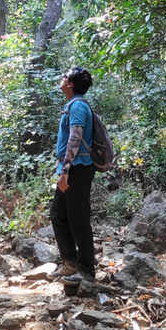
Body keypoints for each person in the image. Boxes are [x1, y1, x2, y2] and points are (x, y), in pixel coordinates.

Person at [50, 66, 97, 285]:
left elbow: (75, 139)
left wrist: (66, 169)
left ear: (70, 84)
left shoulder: (78, 105)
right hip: (70, 168)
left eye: (65, 76)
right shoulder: (73, 104)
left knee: (78, 219)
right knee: (58, 215)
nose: (62, 78)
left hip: (77, 168)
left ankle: (87, 271)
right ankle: (70, 262)